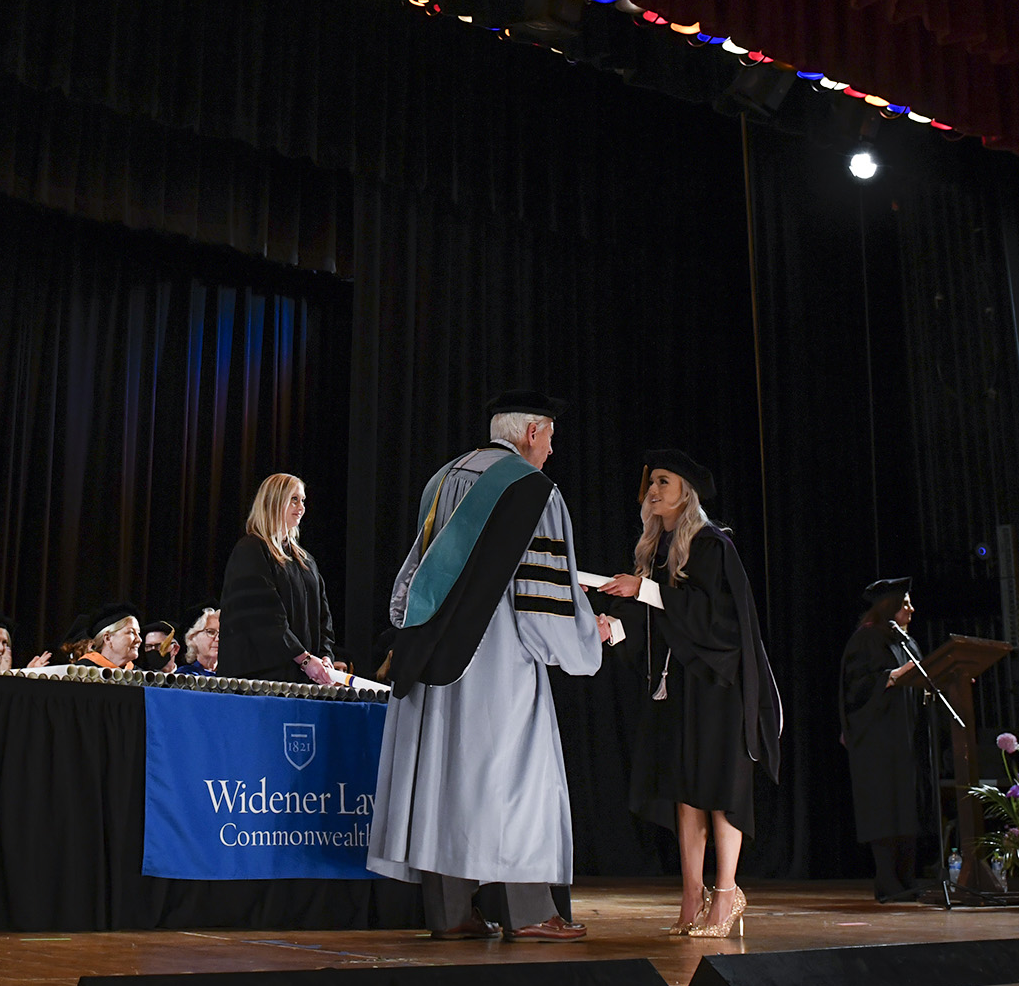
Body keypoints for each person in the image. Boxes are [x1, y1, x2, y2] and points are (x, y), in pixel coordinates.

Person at [368, 392, 605, 942]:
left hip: (436, 656)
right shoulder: (531, 489)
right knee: (513, 781)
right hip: (498, 663)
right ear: (531, 433)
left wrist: (413, 638)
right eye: (549, 438)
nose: (550, 450)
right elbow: (541, 600)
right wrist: (583, 641)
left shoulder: (442, 479)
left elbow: (413, 574)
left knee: (445, 782)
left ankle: (451, 914)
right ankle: (529, 913)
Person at [594, 450, 782, 940]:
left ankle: (726, 894)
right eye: (650, 483)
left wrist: (645, 591)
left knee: (719, 790)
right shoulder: (655, 550)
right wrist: (611, 627)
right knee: (685, 793)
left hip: (719, 685)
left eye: (663, 481)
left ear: (686, 492)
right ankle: (691, 895)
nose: (653, 490)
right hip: (677, 688)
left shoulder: (712, 545)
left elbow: (716, 620)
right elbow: (650, 623)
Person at [841, 577, 925, 901]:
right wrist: (889, 677)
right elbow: (854, 688)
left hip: (904, 739)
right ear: (889, 606)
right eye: (905, 603)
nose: (911, 609)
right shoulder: (865, 640)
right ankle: (886, 880)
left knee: (906, 805)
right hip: (877, 740)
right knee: (884, 806)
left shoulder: (906, 642)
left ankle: (907, 877)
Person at [219, 474, 338, 683]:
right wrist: (305, 659)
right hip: (263, 681)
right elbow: (263, 618)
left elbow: (323, 618)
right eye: (294, 499)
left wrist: (324, 656)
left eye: (302, 500)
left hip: (304, 678)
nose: (300, 507)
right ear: (274, 501)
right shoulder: (251, 551)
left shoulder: (305, 561)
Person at [75, 605, 142, 669]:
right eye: (131, 632)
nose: (139, 640)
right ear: (108, 638)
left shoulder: (141, 676)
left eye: (138, 633)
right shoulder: (79, 673)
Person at [175, 606, 220, 675]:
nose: (217, 639)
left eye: (222, 633)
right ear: (193, 637)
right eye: (211, 632)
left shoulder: (232, 675)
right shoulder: (185, 675)